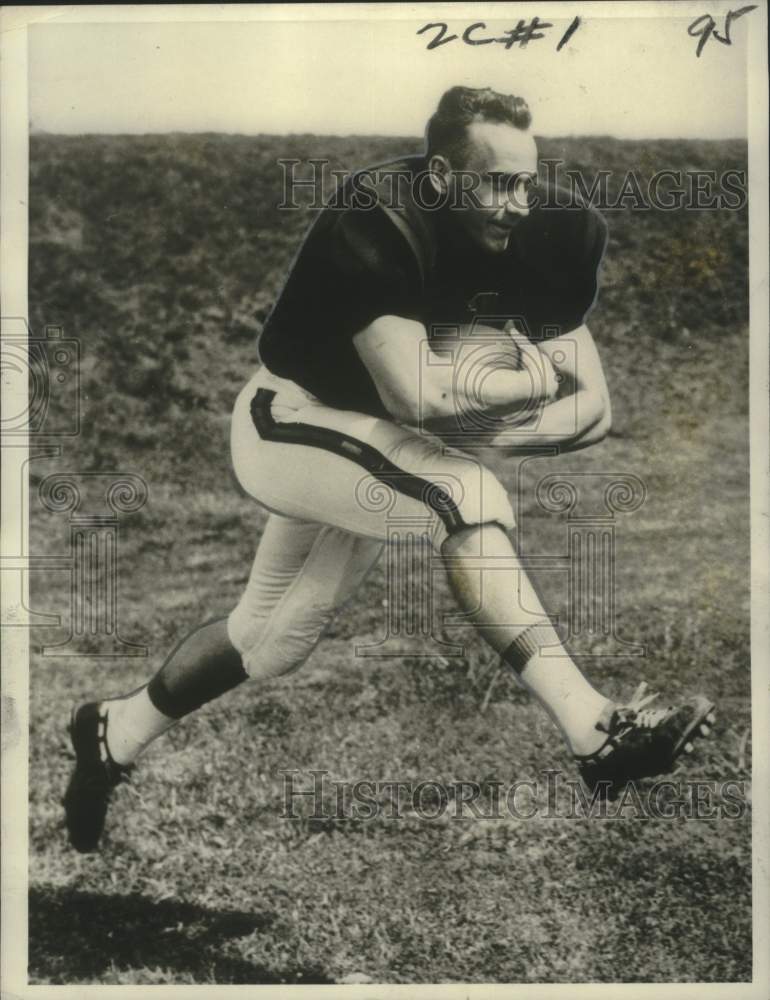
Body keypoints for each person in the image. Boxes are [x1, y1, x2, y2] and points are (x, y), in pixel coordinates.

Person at [63, 86, 715, 853]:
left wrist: (489, 423)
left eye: (526, 182)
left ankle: (113, 729)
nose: (518, 203)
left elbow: (595, 411)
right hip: (291, 420)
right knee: (462, 494)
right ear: (440, 177)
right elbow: (418, 399)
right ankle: (594, 730)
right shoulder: (381, 216)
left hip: (375, 441)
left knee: (273, 640)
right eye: (496, 183)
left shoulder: (557, 233)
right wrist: (528, 386)